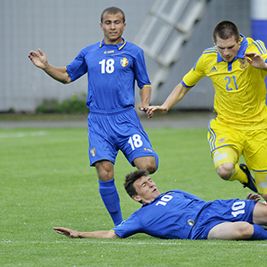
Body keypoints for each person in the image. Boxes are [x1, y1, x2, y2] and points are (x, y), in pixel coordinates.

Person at [28, 7, 158, 226]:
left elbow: (144, 83)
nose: (113, 26)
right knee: (105, 172)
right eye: (108, 22)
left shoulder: (134, 52)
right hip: (99, 122)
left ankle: (150, 205)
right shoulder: (89, 53)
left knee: (148, 165)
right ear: (101, 26)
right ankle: (120, 225)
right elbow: (67, 75)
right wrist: (46, 67)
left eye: (117, 22)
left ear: (124, 24)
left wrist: (144, 103)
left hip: (126, 119)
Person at [146, 20, 267, 199]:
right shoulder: (208, 58)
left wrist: (263, 66)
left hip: (258, 128)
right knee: (225, 170)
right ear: (215, 44)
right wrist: (166, 105)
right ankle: (244, 177)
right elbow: (185, 84)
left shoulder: (255, 48)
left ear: (238, 41)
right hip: (226, 127)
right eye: (221, 48)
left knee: (265, 194)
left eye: (230, 47)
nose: (225, 52)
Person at [54, 169, 267, 240]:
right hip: (201, 229)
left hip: (214, 209)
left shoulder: (173, 193)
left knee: (264, 212)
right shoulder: (139, 218)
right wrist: (80, 233)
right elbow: (111, 234)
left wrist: (245, 207)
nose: (151, 185)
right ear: (137, 197)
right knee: (244, 229)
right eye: (144, 185)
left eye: (150, 181)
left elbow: (202, 203)